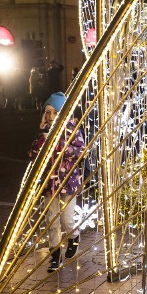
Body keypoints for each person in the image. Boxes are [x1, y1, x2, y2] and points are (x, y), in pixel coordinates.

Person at [29, 92, 86, 272]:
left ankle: (74, 236)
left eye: (55, 112)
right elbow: (32, 155)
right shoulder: (42, 132)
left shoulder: (72, 129)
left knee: (67, 220)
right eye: (48, 112)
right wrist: (41, 141)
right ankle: (55, 256)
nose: (51, 116)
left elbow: (80, 151)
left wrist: (59, 145)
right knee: (51, 221)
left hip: (68, 182)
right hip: (49, 184)